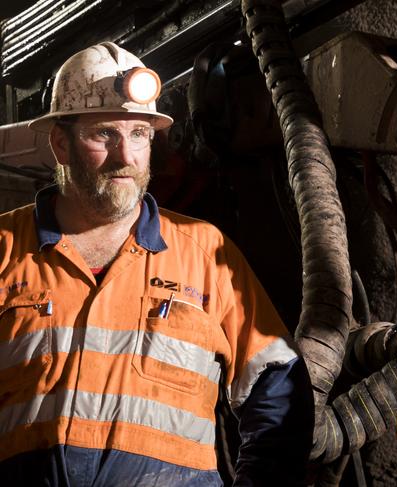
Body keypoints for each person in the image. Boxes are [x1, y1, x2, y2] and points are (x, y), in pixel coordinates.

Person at [0, 42, 313, 486]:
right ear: (60, 144)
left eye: (139, 135)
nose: (125, 157)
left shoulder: (204, 253)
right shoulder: (4, 248)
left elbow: (277, 384)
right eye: (103, 134)